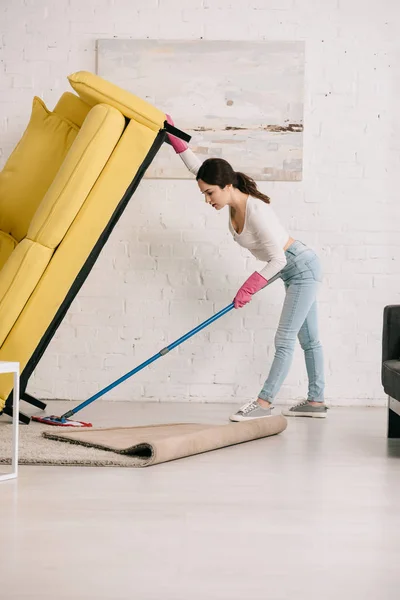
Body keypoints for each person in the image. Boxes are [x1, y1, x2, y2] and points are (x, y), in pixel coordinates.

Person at [166, 116, 327, 421]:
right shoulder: (231, 200)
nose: (206, 199)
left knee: (285, 339)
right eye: (203, 193)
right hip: (292, 268)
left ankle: (264, 403)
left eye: (210, 193)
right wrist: (176, 141)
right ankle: (317, 402)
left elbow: (278, 259)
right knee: (309, 339)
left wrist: (249, 287)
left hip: (301, 266)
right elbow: (196, 168)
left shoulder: (256, 211)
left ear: (227, 187)